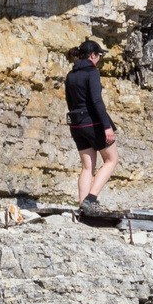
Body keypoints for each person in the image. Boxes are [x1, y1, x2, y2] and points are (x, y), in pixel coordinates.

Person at [65, 39, 119, 208]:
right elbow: (97, 101)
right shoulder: (92, 73)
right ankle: (91, 198)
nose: (100, 59)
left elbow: (69, 102)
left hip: (76, 125)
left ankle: (83, 206)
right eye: (99, 55)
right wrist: (107, 127)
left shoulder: (70, 75)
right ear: (93, 55)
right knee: (112, 160)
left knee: (87, 167)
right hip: (93, 123)